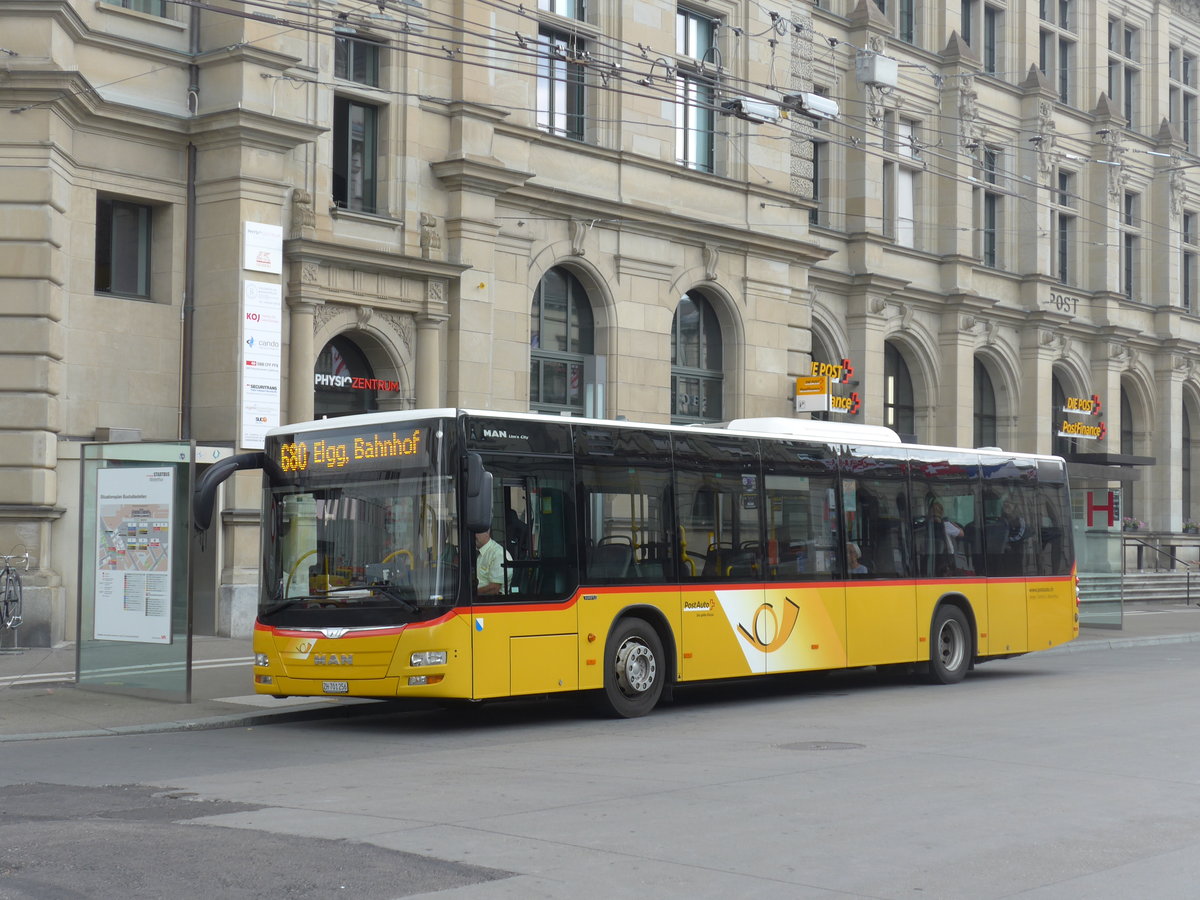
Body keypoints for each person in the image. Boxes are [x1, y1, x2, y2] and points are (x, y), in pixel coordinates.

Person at [474, 528, 511, 596]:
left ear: (488, 532)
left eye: (476, 532)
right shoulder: (478, 552)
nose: (474, 535)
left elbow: (494, 589)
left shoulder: (498, 554)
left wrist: (470, 594)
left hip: (492, 602)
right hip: (477, 600)